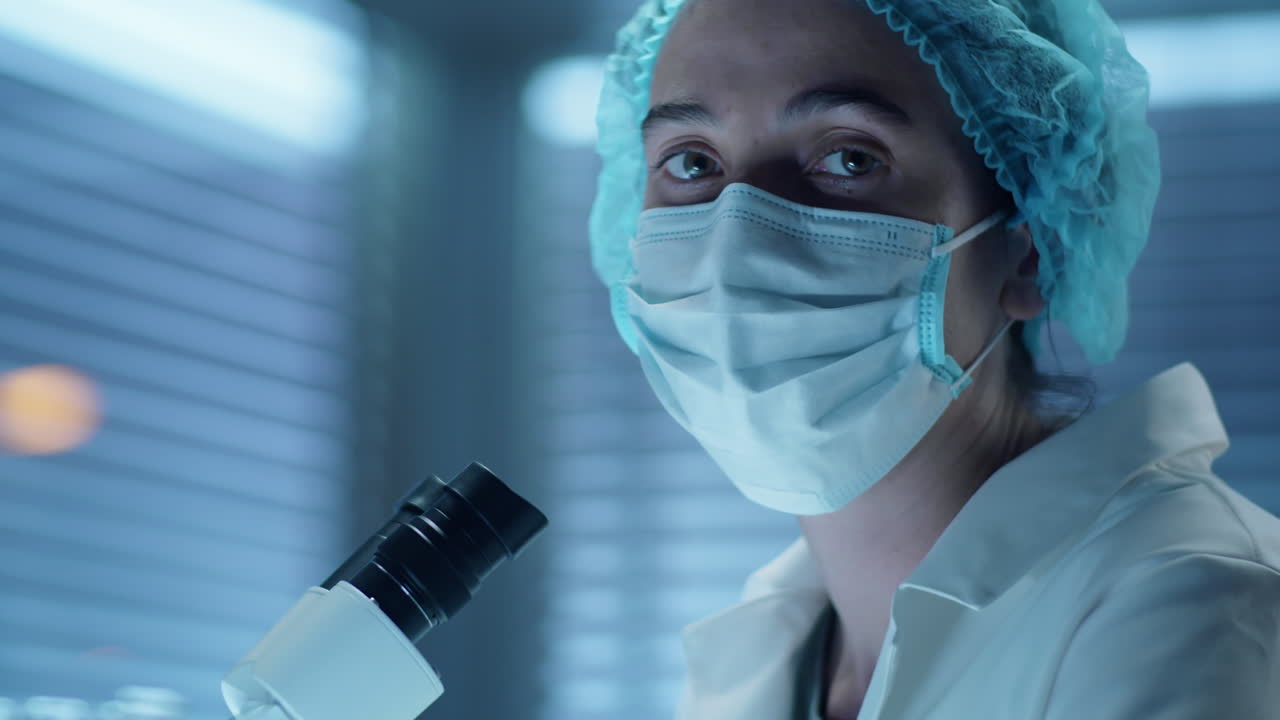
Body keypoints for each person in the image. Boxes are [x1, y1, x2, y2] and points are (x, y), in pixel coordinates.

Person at [587, 0, 1280, 718]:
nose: (739, 239)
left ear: (1029, 250)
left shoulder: (1188, 603)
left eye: (850, 157)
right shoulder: (766, 650)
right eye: (692, 162)